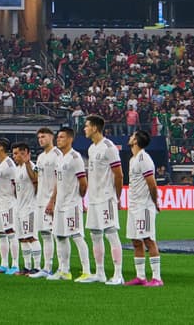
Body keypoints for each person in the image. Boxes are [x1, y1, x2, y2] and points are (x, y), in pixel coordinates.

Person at [82, 114, 125, 285]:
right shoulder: (92, 148)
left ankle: (118, 274)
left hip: (106, 197)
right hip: (93, 198)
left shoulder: (109, 147)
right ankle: (99, 272)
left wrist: (117, 197)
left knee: (111, 233)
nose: (84, 129)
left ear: (94, 128)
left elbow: (119, 175)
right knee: (95, 234)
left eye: (86, 126)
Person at [46, 125, 89, 281]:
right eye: (58, 137)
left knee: (77, 236)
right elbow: (58, 182)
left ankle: (86, 271)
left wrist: (79, 199)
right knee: (60, 236)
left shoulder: (75, 157)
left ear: (70, 139)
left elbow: (83, 182)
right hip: (60, 205)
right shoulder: (60, 158)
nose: (58, 139)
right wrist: (52, 200)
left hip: (72, 204)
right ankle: (64, 270)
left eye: (62, 137)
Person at [126, 130, 163, 286]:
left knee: (148, 239)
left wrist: (154, 202)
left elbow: (152, 184)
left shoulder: (144, 159)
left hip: (144, 206)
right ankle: (140, 276)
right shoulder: (133, 159)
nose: (130, 137)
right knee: (136, 241)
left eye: (132, 135)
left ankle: (157, 278)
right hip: (133, 206)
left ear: (135, 140)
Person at [29, 127, 60, 278]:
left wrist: (52, 201)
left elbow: (60, 181)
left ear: (51, 137)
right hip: (40, 200)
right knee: (44, 234)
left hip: (51, 200)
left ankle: (59, 268)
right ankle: (46, 267)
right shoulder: (40, 157)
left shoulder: (57, 155)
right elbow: (37, 178)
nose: (41, 139)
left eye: (43, 136)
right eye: (39, 137)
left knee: (55, 234)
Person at [0, 138, 19, 274]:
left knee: (11, 234)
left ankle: (15, 264)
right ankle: (4, 264)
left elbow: (16, 185)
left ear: (1, 148)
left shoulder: (10, 165)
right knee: (1, 234)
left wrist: (15, 202)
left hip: (8, 202)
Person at [11, 142, 40, 275]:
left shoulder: (32, 166)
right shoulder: (17, 169)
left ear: (27, 154)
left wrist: (28, 163)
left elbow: (36, 181)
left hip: (30, 208)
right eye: (15, 153)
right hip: (19, 208)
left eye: (19, 153)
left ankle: (37, 267)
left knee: (31, 237)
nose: (16, 156)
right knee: (22, 238)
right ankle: (27, 267)